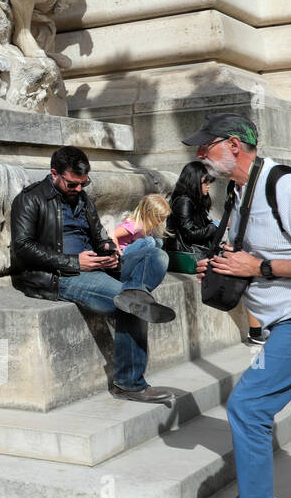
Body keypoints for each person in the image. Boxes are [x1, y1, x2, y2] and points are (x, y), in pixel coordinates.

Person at [185, 113, 291, 498]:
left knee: (247, 406)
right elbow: (246, 258)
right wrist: (222, 267)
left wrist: (262, 266)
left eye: (207, 145)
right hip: (285, 322)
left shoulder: (285, 187)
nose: (200, 153)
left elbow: (262, 261)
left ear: (234, 145)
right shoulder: (240, 192)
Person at [10, 145, 173, 403]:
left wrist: (108, 251)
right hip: (60, 275)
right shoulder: (30, 199)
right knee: (129, 302)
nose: (78, 190)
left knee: (157, 256)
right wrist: (74, 262)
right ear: (54, 174)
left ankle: (137, 291)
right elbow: (22, 249)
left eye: (83, 184)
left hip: (96, 265)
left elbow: (100, 236)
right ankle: (129, 383)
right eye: (72, 184)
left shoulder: (82, 198)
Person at [167, 160, 264, 343]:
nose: (208, 186)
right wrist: (215, 228)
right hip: (189, 254)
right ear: (194, 181)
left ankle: (260, 327)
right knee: (240, 271)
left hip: (202, 250)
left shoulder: (197, 201)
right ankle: (256, 331)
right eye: (205, 182)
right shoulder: (183, 201)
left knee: (245, 264)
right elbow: (189, 234)